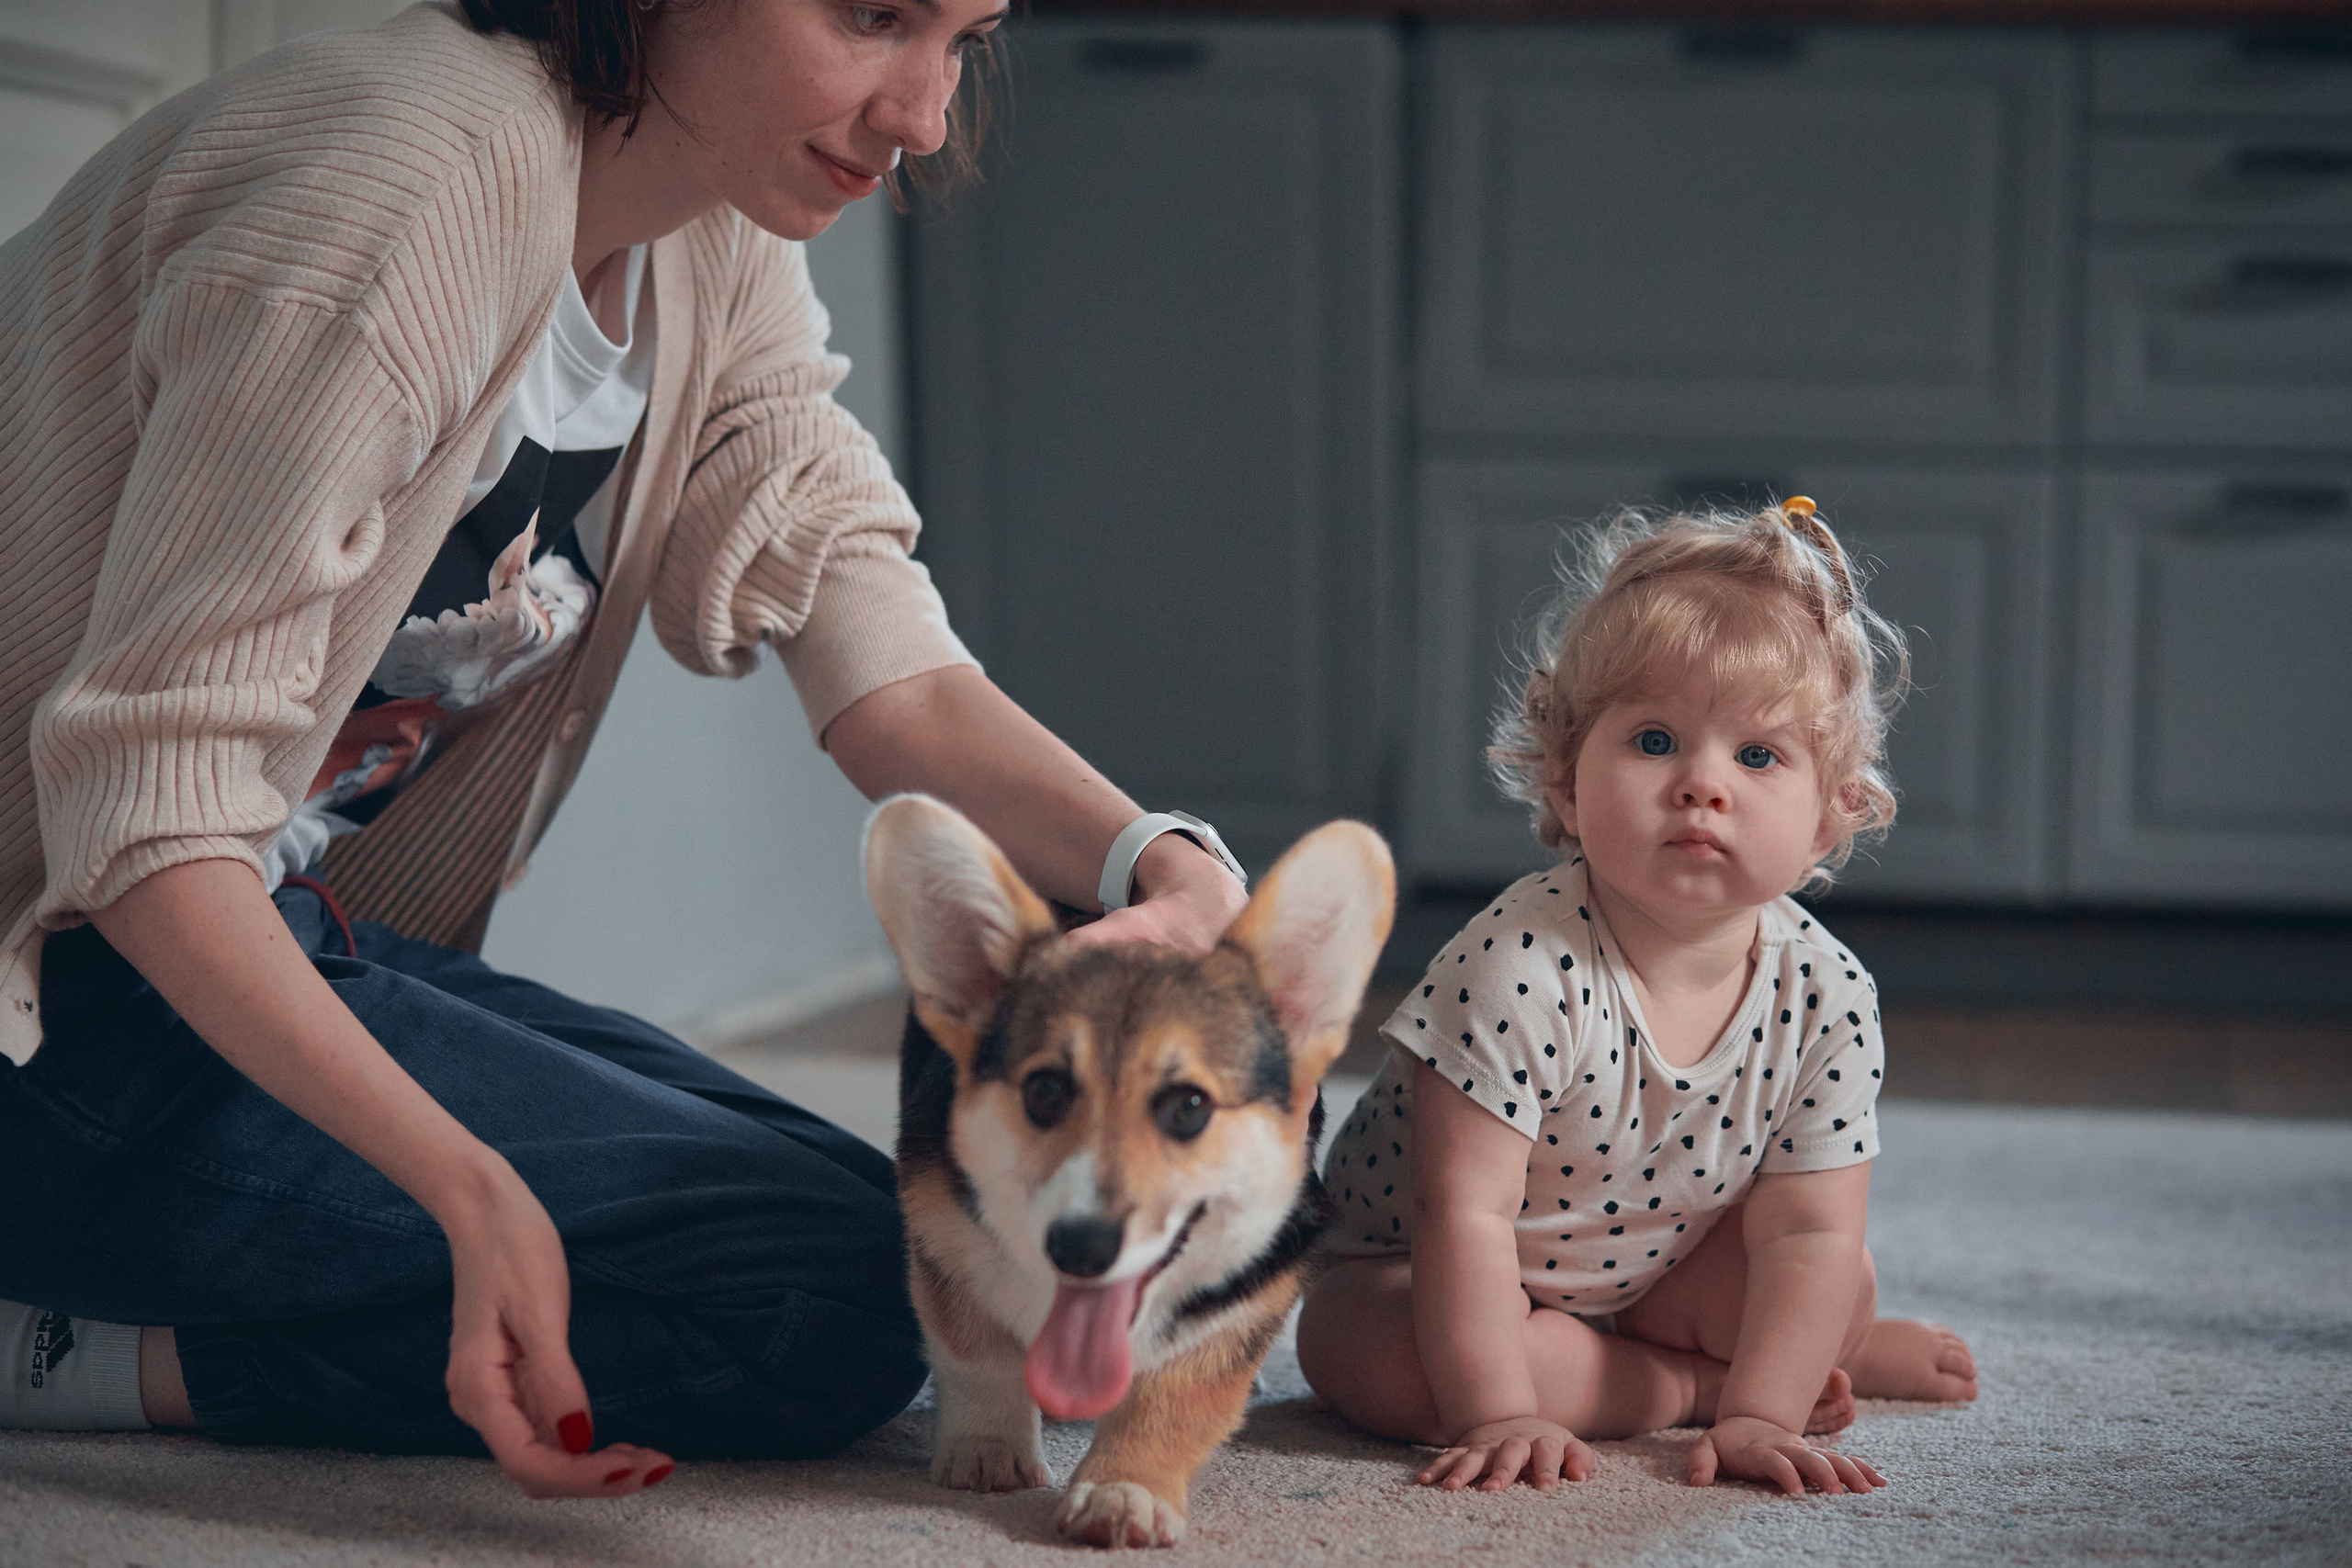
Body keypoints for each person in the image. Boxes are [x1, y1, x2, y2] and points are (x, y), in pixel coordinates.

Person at [0, 0, 1250, 1499]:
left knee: (897, 1231)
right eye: (874, 17)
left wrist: (1162, 865)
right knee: (820, 1302)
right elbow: (149, 818)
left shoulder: (702, 231)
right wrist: (465, 1187)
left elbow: (871, 640)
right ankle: (58, 1351)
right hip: (61, 986)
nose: (924, 114)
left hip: (240, 942)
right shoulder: (390, 196)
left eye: (964, 39)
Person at [1296, 499, 1980, 1497]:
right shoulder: (1517, 963)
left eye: (1757, 757)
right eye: (1654, 741)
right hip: (1428, 1270)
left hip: (1652, 1270)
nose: (1702, 784)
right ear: (1567, 780)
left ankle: (1779, 1368)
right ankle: (1683, 1384)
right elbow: (1466, 1216)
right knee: (1376, 1365)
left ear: (1833, 817)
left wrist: (1767, 1418)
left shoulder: (1827, 993)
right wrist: (1497, 1411)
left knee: (1836, 1279)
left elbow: (1807, 1230)